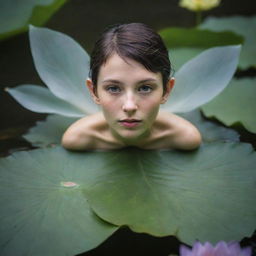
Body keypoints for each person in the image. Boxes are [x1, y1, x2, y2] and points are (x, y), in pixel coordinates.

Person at [62, 23, 201, 151]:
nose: (129, 106)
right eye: (113, 88)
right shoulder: (77, 139)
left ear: (167, 90)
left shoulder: (185, 138)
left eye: (145, 88)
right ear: (93, 91)